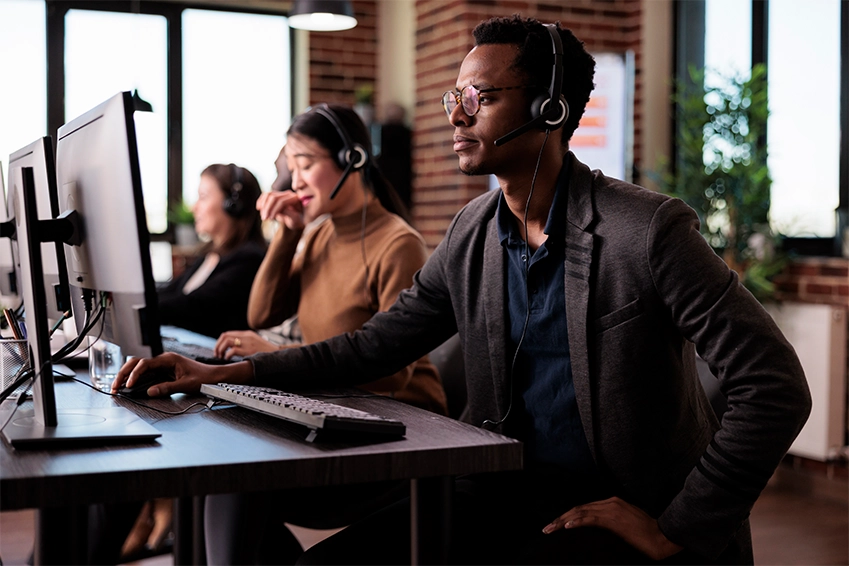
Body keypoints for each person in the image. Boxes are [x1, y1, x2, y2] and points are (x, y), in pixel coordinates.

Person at [116, 15, 811, 565]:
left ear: (548, 106)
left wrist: (676, 526)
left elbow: (773, 383)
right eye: (456, 95)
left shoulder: (646, 230)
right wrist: (225, 370)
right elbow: (370, 346)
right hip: (496, 493)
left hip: (615, 510)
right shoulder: (474, 231)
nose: (457, 113)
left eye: (481, 97)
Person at [157, 164, 266, 338]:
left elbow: (192, 306)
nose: (194, 207)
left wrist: (139, 308)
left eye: (203, 197)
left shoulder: (249, 258)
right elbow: (172, 291)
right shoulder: (210, 255)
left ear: (232, 205)